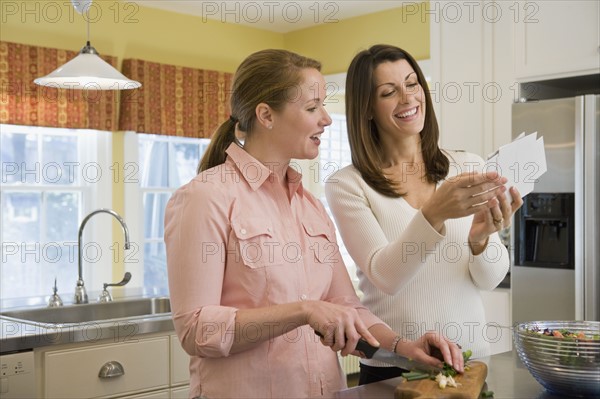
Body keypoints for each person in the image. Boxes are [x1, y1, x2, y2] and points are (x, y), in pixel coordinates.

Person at [164, 49, 463, 399]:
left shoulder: (310, 206)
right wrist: (304, 312)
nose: (327, 119)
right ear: (266, 115)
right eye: (312, 108)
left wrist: (404, 348)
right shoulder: (204, 198)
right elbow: (197, 330)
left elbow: (346, 306)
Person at [324, 44, 523, 385]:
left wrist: (480, 239)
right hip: (395, 367)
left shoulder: (468, 165)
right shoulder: (348, 184)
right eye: (389, 92)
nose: (407, 98)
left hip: (470, 361)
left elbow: (489, 280)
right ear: (367, 109)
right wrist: (433, 214)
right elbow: (386, 276)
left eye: (412, 84)